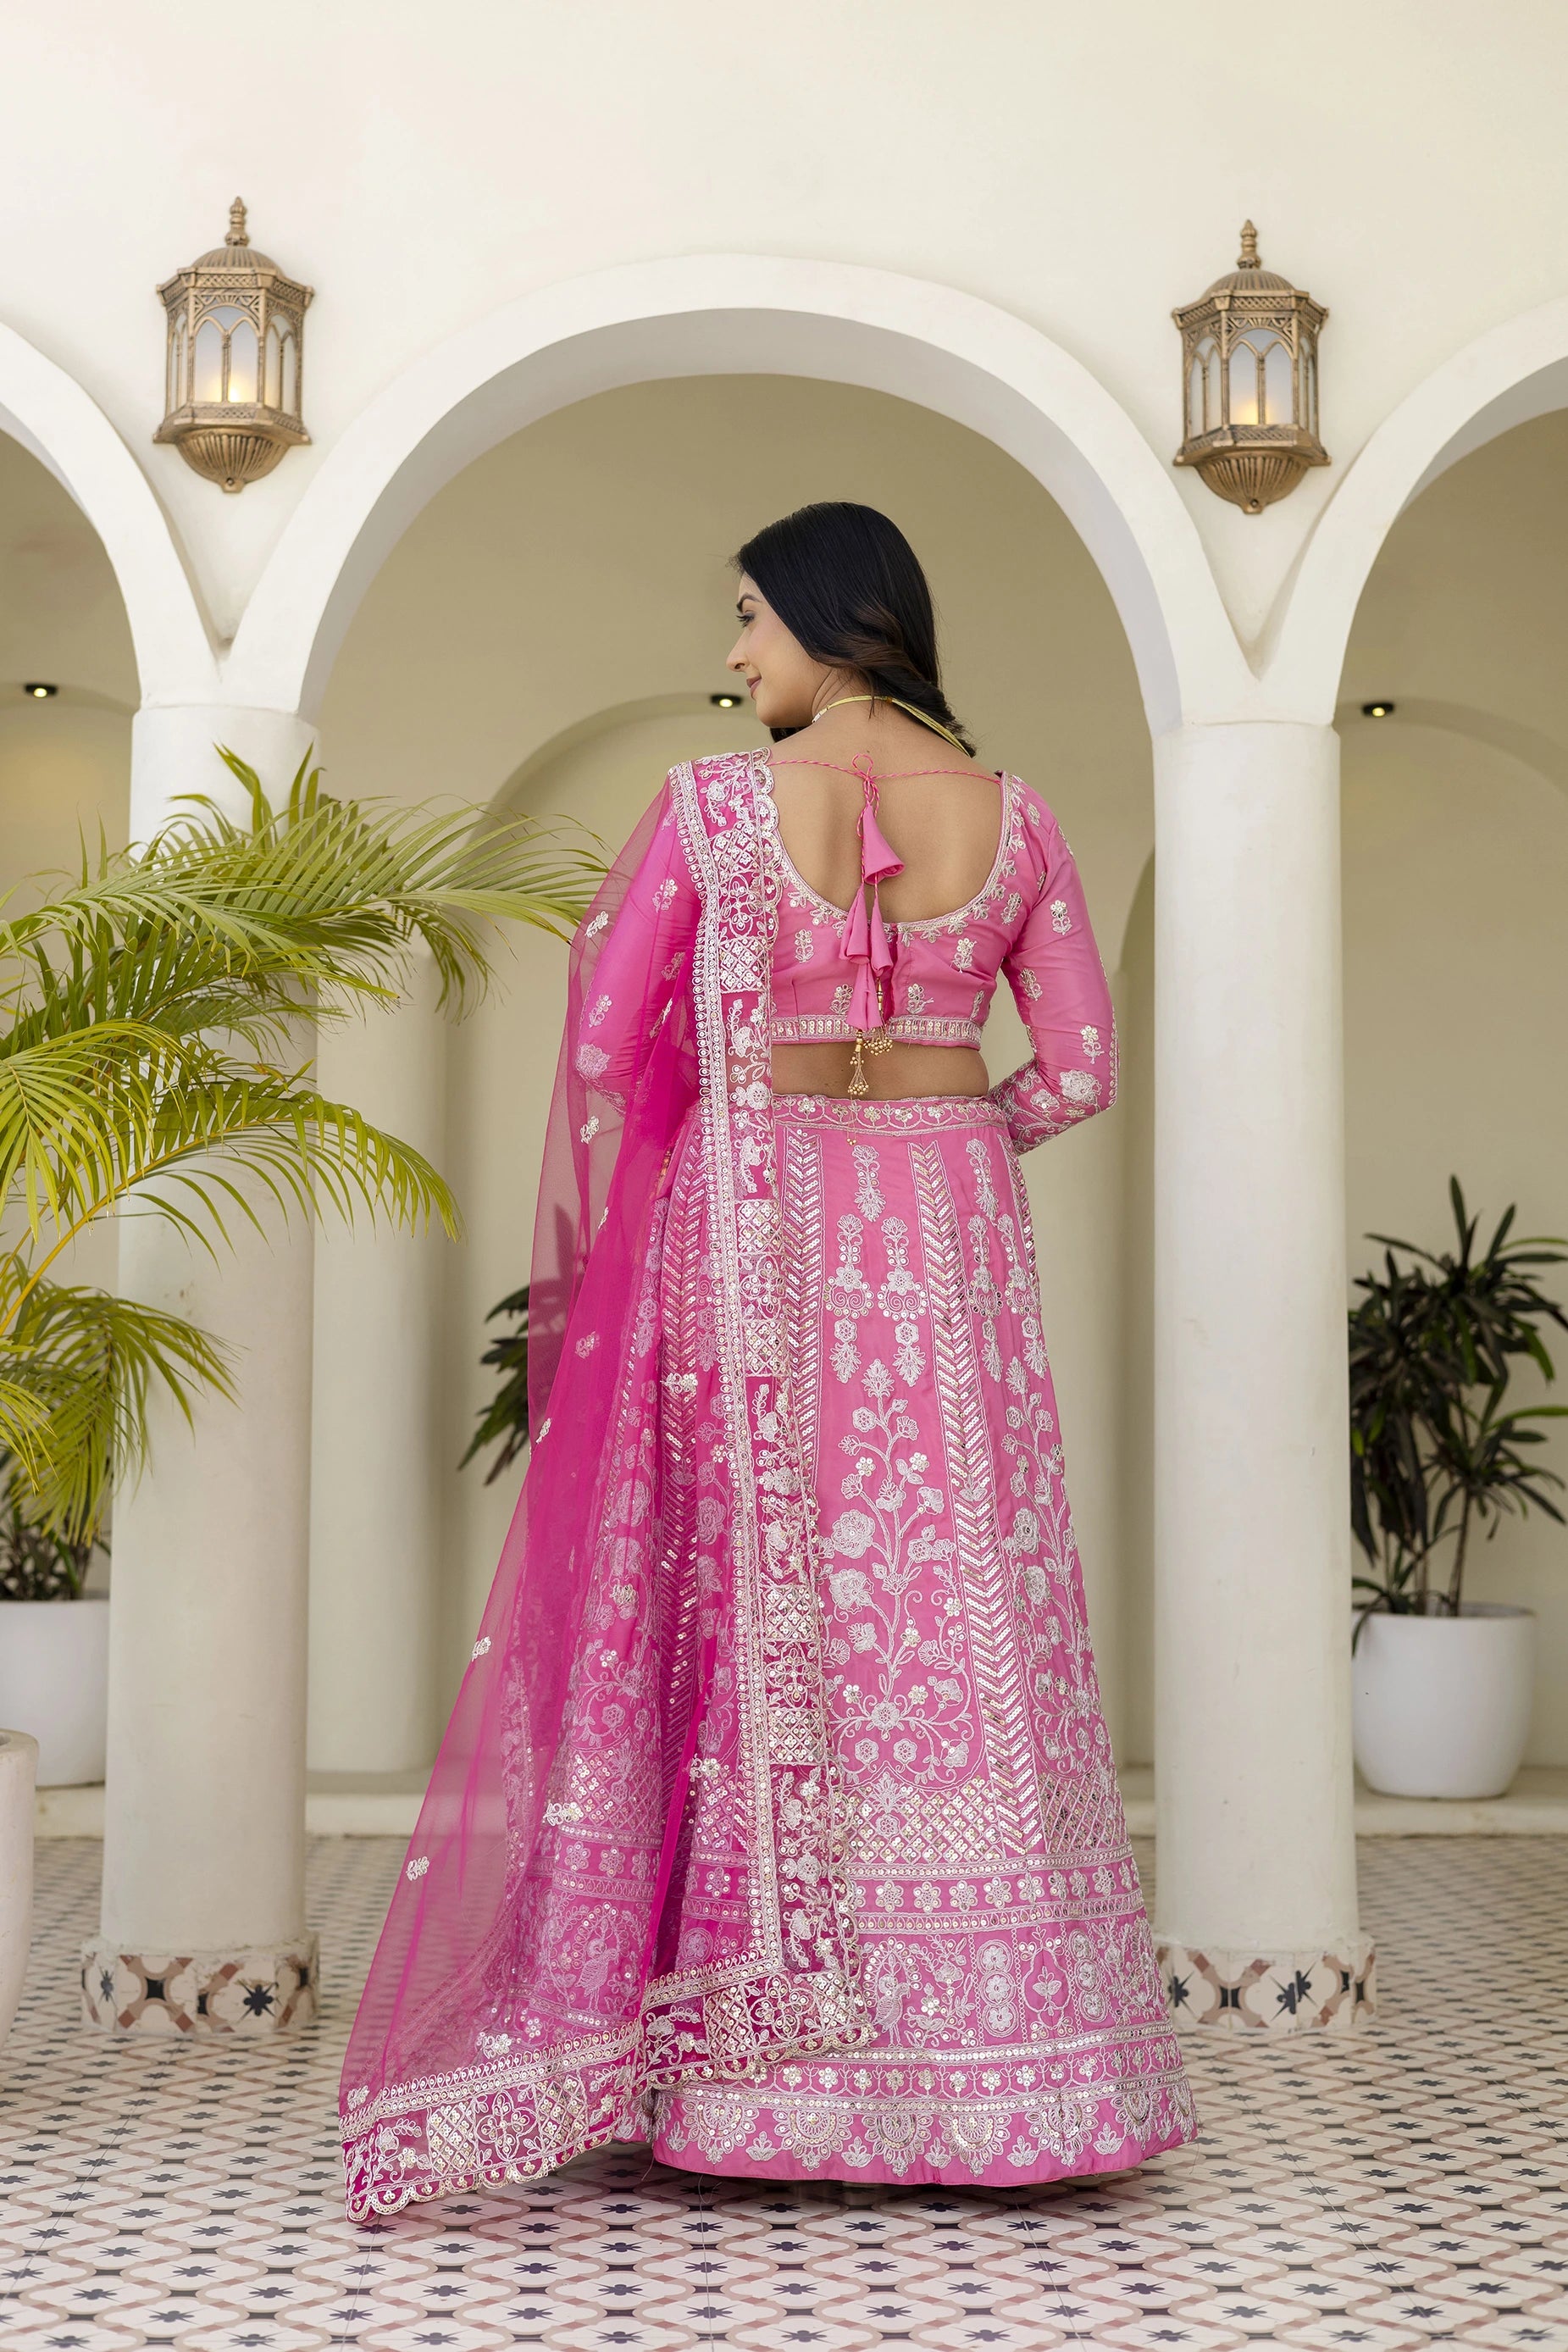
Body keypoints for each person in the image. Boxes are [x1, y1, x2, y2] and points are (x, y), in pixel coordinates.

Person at [341, 502, 1194, 2216]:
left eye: (748, 617)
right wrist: (947, 1143)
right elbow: (1081, 1071)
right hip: (944, 1246)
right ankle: (1002, 2065)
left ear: (826, 617)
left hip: (756, 1239)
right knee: (956, 1605)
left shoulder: (711, 811)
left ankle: (748, 2069)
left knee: (754, 1599)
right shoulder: (1018, 819)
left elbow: (598, 1036)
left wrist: (735, 1110)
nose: (734, 656)